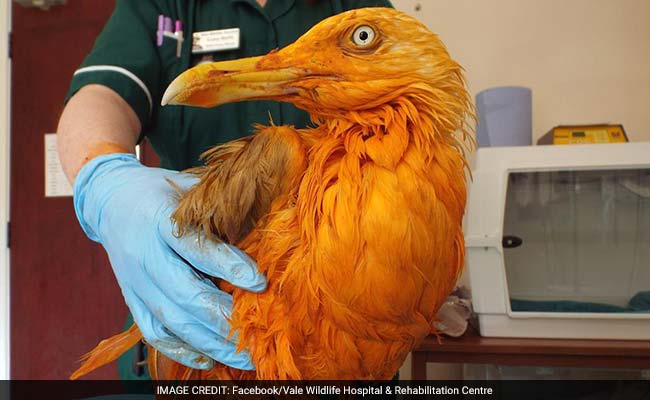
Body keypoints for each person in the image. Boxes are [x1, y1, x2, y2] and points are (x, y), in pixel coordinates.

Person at [57, 0, 392, 379]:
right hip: (194, 307)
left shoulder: (351, 6)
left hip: (348, 327)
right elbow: (101, 93)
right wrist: (105, 179)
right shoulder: (162, 5)